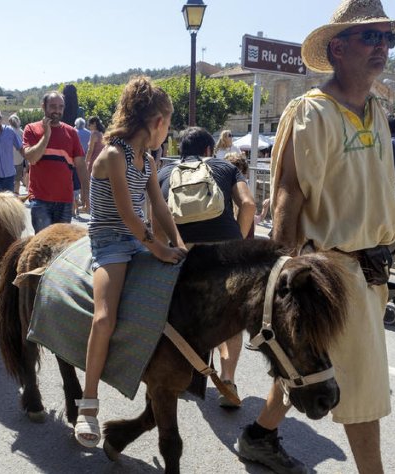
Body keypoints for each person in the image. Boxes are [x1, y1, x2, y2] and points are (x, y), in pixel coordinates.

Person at [235, 2, 395, 473]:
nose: (383, 47)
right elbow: (289, 191)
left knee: (314, 365)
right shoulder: (311, 111)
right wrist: (281, 278)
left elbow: (388, 201)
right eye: (371, 37)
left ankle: (258, 435)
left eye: (388, 38)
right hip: (330, 273)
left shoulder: (377, 109)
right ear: (338, 47)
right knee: (363, 390)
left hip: (371, 271)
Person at [75, 76, 187, 448]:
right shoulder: (113, 155)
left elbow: (159, 207)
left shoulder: (149, 161)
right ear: (157, 123)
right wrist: (158, 249)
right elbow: (127, 214)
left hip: (137, 240)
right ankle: (87, 406)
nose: (166, 132)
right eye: (167, 124)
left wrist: (180, 244)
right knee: (104, 317)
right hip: (110, 242)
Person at [157, 127, 256, 407]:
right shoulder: (225, 167)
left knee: (183, 316)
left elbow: (157, 223)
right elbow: (248, 204)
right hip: (223, 253)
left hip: (183, 253)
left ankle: (182, 372)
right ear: (209, 150)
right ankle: (227, 379)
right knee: (230, 317)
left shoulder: (166, 173)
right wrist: (236, 239)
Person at [22, 91, 90, 233]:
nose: (57, 110)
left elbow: (81, 164)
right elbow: (32, 158)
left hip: (65, 200)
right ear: (43, 107)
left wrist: (85, 190)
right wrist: (47, 135)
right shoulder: (31, 129)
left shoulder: (71, 132)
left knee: (62, 246)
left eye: (60, 107)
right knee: (43, 246)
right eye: (53, 106)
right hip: (40, 199)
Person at [7, 113, 26, 194]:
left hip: (8, 160)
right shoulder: (21, 132)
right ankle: (16, 195)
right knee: (17, 180)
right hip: (19, 159)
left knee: (9, 179)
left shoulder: (7, 130)